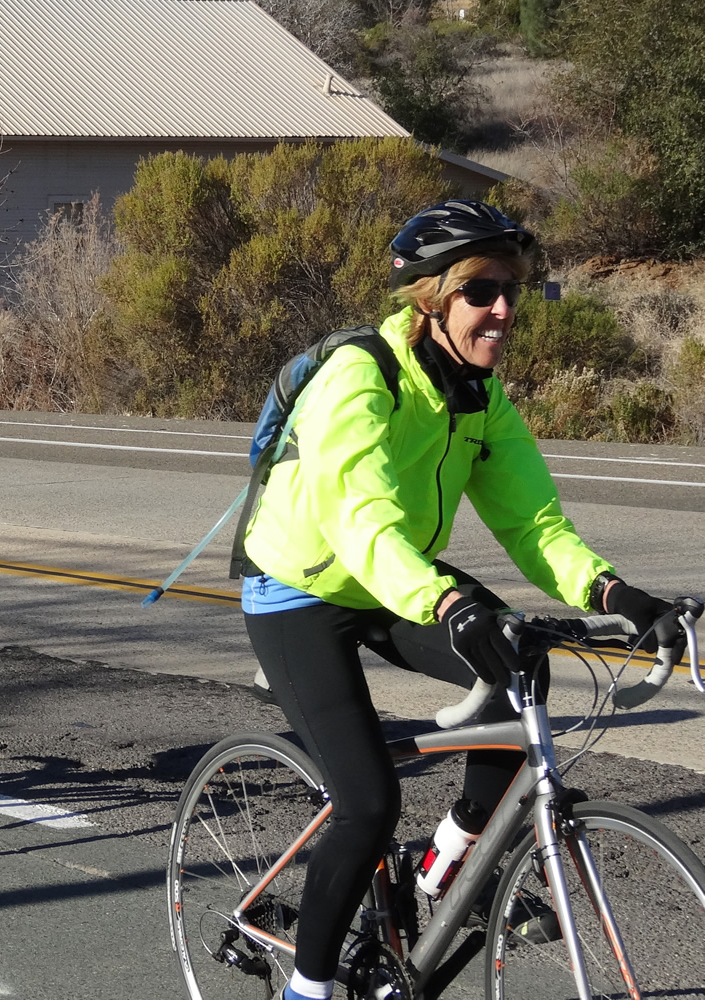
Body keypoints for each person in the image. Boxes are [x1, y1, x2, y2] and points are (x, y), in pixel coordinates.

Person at [237, 200, 677, 1000]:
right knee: (368, 803)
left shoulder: (480, 395)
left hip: (394, 578)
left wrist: (617, 593)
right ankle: (308, 987)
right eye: (481, 290)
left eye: (512, 289)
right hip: (300, 587)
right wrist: (446, 605)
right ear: (432, 297)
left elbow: (533, 522)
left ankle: (447, 862)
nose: (502, 308)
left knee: (520, 665)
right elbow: (360, 520)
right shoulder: (359, 376)